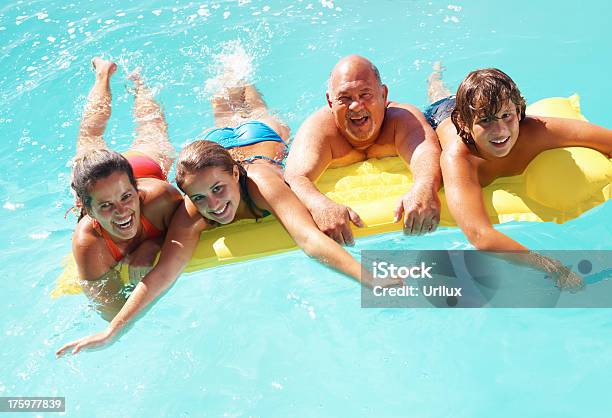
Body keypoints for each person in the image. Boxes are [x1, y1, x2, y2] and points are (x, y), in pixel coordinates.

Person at [57, 80, 396, 357]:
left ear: (235, 175)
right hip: (212, 152)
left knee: (254, 107)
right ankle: (216, 83)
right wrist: (112, 331)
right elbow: (165, 273)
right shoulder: (192, 205)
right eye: (200, 198)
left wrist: (371, 280)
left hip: (259, 140)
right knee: (221, 111)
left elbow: (309, 239)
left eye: (219, 190)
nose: (214, 205)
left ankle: (236, 76)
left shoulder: (261, 184)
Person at [424, 65, 612, 287]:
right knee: (440, 95)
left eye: (507, 116)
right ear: (466, 125)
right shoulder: (459, 158)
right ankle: (434, 76)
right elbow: (480, 236)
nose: (500, 130)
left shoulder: (537, 131)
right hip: (443, 115)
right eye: (486, 121)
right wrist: (552, 267)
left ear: (519, 112)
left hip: (471, 108)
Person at [284, 55, 443, 245]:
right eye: (344, 98)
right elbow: (294, 177)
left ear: (383, 95)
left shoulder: (402, 119)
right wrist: (320, 205)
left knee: (440, 100)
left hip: (434, 112)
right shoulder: (320, 130)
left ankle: (435, 79)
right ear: (329, 102)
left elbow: (426, 151)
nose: (356, 106)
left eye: (365, 94)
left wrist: (424, 187)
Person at [70, 58, 182, 320]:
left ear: (136, 189)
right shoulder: (89, 243)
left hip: (143, 166)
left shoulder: (161, 198)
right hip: (94, 181)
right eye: (106, 206)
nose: (122, 212)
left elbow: (194, 225)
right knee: (89, 137)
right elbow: (111, 313)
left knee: (152, 127)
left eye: (126, 198)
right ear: (89, 211)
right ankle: (103, 74)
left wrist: (153, 243)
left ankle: (138, 84)